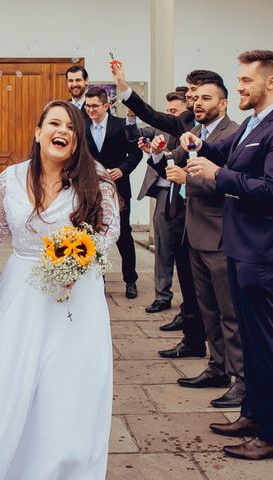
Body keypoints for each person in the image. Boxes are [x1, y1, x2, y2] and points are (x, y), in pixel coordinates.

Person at [0, 100, 120, 479]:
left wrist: (80, 264)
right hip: (21, 291)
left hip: (77, 295)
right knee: (10, 373)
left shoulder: (97, 179)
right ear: (37, 132)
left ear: (78, 139)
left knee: (67, 380)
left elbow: (109, 231)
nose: (64, 131)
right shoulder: (9, 178)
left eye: (72, 128)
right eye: (54, 124)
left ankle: (59, 463)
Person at [184, 49, 273, 461]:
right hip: (238, 247)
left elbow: (269, 190)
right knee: (253, 346)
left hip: (261, 254)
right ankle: (252, 414)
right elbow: (228, 155)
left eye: (245, 81)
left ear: (269, 83)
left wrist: (219, 177)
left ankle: (269, 435)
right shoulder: (252, 124)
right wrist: (199, 145)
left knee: (265, 345)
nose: (238, 87)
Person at [111, 60, 214, 345]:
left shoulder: (225, 130)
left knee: (206, 287)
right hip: (177, 208)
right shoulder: (184, 122)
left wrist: (186, 177)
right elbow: (151, 116)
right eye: (191, 92)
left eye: (198, 92)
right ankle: (192, 336)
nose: (192, 97)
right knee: (187, 275)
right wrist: (123, 85)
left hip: (207, 217)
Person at [160, 80, 243, 409]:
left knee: (229, 313)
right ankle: (216, 367)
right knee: (207, 309)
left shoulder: (232, 134)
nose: (196, 103)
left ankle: (240, 379)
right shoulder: (198, 132)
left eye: (205, 98)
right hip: (194, 232)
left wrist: (187, 179)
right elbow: (175, 160)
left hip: (220, 233)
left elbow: (230, 184)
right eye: (194, 98)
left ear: (222, 104)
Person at [84, 87, 142, 298]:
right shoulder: (82, 127)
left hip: (118, 188)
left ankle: (131, 280)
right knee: (91, 233)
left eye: (94, 106)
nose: (90, 110)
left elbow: (136, 153)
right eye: (87, 106)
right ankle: (97, 279)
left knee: (123, 234)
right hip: (89, 189)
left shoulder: (121, 125)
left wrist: (122, 169)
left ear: (106, 106)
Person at [136, 90, 187, 315]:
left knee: (186, 255)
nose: (169, 116)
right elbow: (133, 132)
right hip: (164, 195)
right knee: (162, 249)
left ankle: (190, 302)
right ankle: (162, 296)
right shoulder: (159, 130)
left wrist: (161, 153)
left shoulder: (193, 133)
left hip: (185, 197)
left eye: (174, 112)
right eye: (167, 112)